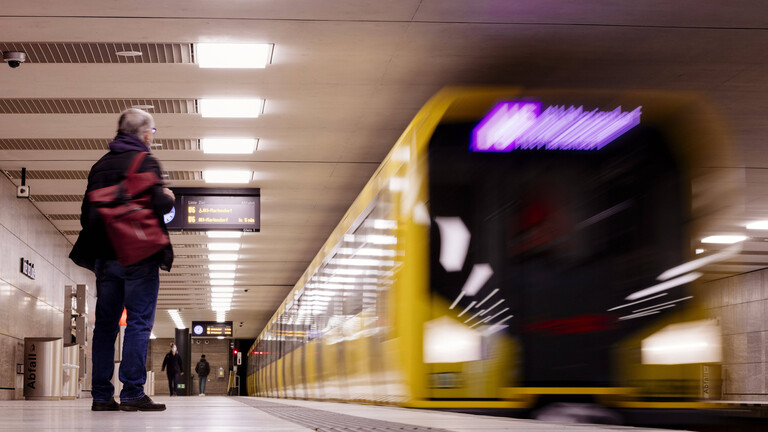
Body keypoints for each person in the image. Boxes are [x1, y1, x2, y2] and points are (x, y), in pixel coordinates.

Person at [70, 108, 174, 412]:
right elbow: (159, 202)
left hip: (105, 257)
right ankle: (131, 393)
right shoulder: (145, 161)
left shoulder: (100, 165)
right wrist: (167, 195)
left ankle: (101, 395)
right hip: (139, 255)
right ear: (144, 134)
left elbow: (86, 216)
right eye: (151, 133)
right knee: (139, 323)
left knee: (105, 326)